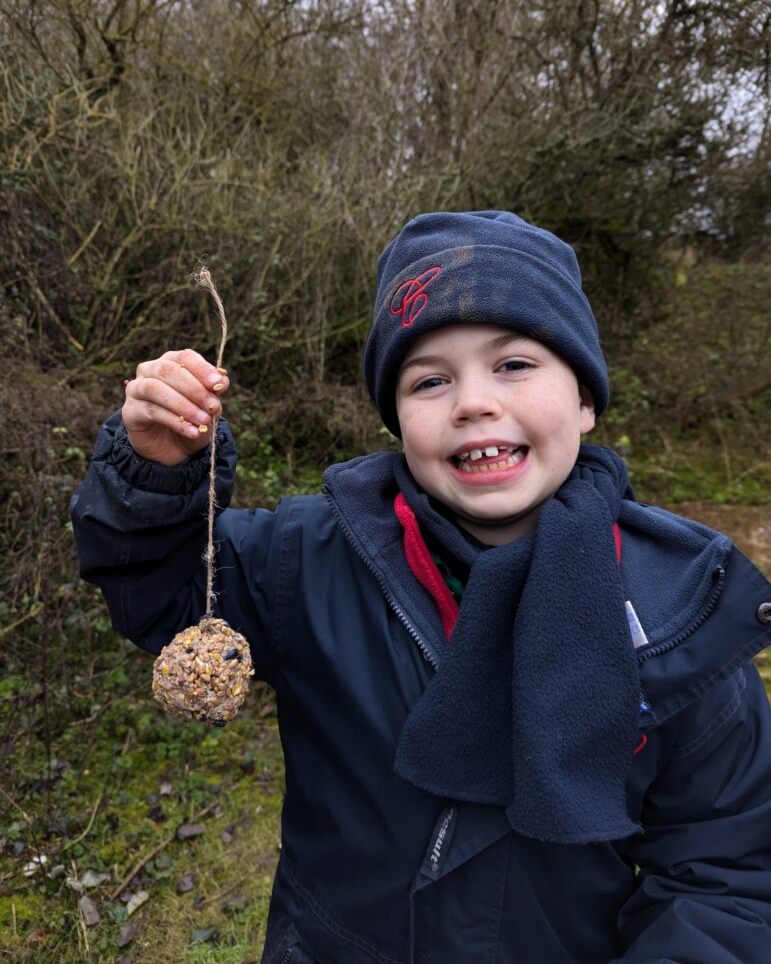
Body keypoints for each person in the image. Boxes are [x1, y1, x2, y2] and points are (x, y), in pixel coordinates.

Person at [71, 211, 771, 963]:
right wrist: (157, 470)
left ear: (584, 399)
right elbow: (161, 593)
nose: (472, 402)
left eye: (514, 365)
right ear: (396, 420)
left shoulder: (677, 611)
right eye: (430, 379)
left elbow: (723, 875)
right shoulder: (308, 557)